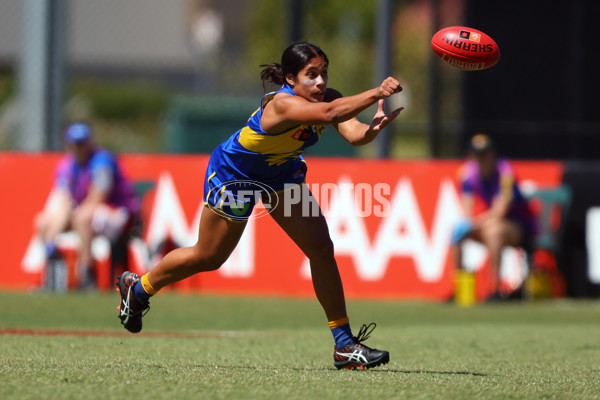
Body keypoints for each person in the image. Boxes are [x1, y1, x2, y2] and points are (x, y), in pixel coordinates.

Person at [115, 42, 404, 370]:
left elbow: (353, 134)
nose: (321, 82)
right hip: (236, 176)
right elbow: (329, 115)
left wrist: (373, 130)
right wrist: (377, 92)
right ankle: (137, 289)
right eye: (312, 75)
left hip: (282, 175)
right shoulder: (281, 104)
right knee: (208, 256)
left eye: (324, 73)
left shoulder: (328, 97)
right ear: (291, 79)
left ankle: (344, 345)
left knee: (321, 248)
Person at [35, 122, 140, 290]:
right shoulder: (65, 165)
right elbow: (63, 198)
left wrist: (72, 213)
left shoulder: (101, 160)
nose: (79, 147)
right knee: (43, 222)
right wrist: (53, 231)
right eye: (75, 143)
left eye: (82, 143)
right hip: (88, 212)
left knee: (83, 218)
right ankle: (52, 271)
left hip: (117, 212)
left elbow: (98, 196)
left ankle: (87, 274)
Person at [452, 133, 536, 300]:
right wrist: (466, 224)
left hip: (519, 226)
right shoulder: (467, 173)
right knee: (456, 233)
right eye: (477, 155)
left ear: (493, 155)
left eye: (484, 155)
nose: (481, 160)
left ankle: (494, 289)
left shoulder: (505, 173)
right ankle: (460, 290)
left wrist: (473, 224)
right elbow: (466, 208)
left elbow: (500, 212)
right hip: (489, 224)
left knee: (494, 231)